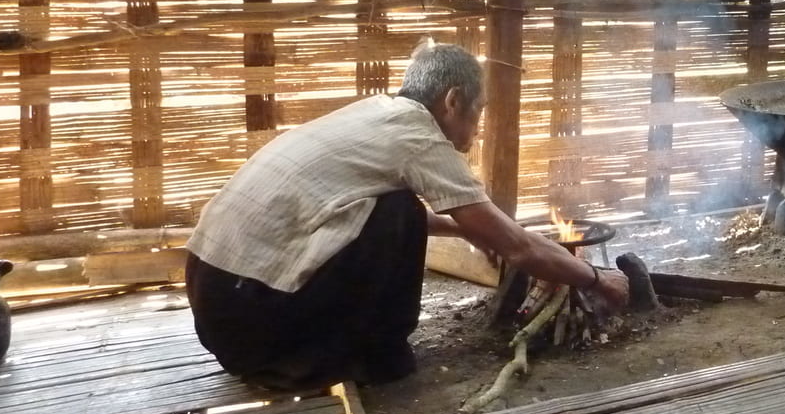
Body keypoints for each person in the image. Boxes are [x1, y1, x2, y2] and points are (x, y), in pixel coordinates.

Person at [185, 41, 629, 391]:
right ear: (453, 101)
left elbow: (348, 211)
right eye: (479, 113)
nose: (475, 130)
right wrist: (594, 278)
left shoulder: (375, 114)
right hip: (253, 322)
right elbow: (518, 246)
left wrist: (470, 230)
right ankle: (370, 359)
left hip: (217, 304)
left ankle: (325, 351)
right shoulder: (418, 135)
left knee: (400, 209)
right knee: (399, 211)